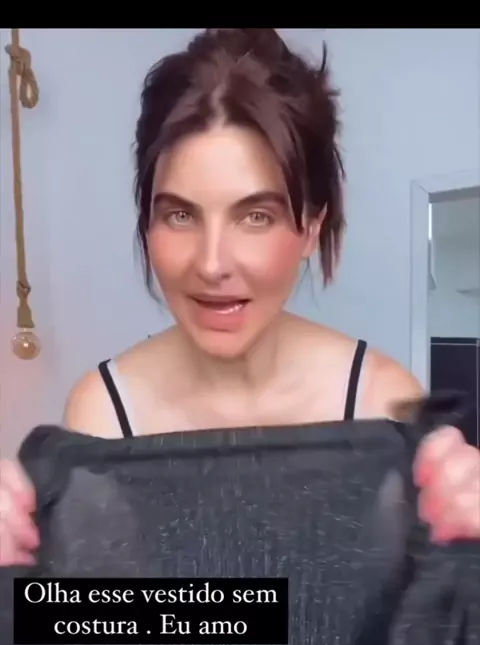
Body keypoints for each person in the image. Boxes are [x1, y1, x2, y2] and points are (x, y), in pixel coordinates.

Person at [0, 27, 479, 567]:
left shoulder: (381, 406)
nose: (211, 264)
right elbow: (106, 614)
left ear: (312, 228)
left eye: (255, 216)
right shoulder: (105, 414)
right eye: (179, 215)